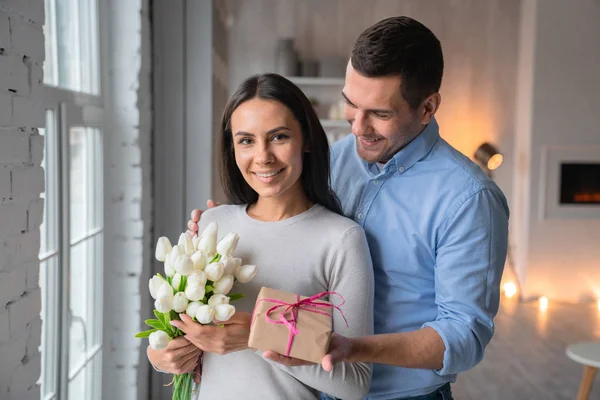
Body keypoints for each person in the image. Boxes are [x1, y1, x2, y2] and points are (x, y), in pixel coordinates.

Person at [188, 16, 509, 400]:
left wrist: (353, 348)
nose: (358, 127)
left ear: (428, 107)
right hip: (308, 387)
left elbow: (464, 336)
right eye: (351, 105)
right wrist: (225, 223)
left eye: (380, 113)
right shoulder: (334, 160)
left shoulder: (469, 199)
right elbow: (287, 222)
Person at [148, 73, 375, 400]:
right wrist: (162, 357)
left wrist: (259, 335)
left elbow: (354, 382)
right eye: (246, 140)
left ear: (306, 139)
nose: (263, 156)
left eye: (279, 137)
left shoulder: (341, 239)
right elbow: (172, 331)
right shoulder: (212, 224)